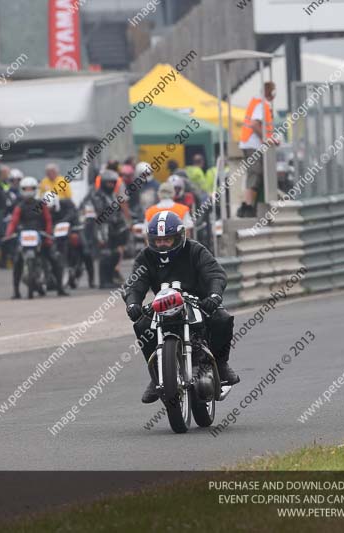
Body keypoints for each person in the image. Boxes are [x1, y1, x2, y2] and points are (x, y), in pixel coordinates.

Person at [124, 211, 239, 403]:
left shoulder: (195, 250)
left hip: (199, 301)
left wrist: (214, 295)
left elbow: (215, 273)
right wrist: (133, 303)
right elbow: (134, 283)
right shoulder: (145, 257)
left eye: (167, 240)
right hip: (162, 303)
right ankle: (157, 375)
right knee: (142, 325)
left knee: (222, 319)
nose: (162, 244)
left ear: (179, 237)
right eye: (158, 240)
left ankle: (221, 364)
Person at [5, 177, 69, 298]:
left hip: (41, 236)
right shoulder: (19, 206)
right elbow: (13, 222)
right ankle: (16, 291)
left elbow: (48, 220)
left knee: (54, 259)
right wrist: (9, 235)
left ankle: (60, 288)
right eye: (25, 189)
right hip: (24, 237)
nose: (28, 191)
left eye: (31, 189)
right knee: (17, 261)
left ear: (35, 190)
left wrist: (48, 235)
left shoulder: (42, 205)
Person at [237, 81, 277, 218]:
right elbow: (254, 124)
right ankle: (247, 205)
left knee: (255, 174)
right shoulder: (262, 104)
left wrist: (269, 138)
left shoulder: (260, 103)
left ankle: (249, 205)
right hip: (252, 145)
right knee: (255, 173)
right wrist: (265, 139)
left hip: (251, 144)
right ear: (270, 92)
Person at [86, 170, 130, 289]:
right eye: (108, 183)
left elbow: (117, 211)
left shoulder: (111, 195)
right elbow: (99, 211)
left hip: (113, 228)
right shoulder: (96, 195)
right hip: (101, 227)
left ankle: (111, 277)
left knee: (115, 253)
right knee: (105, 253)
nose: (111, 185)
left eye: (113, 183)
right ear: (103, 183)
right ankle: (103, 281)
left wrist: (122, 222)